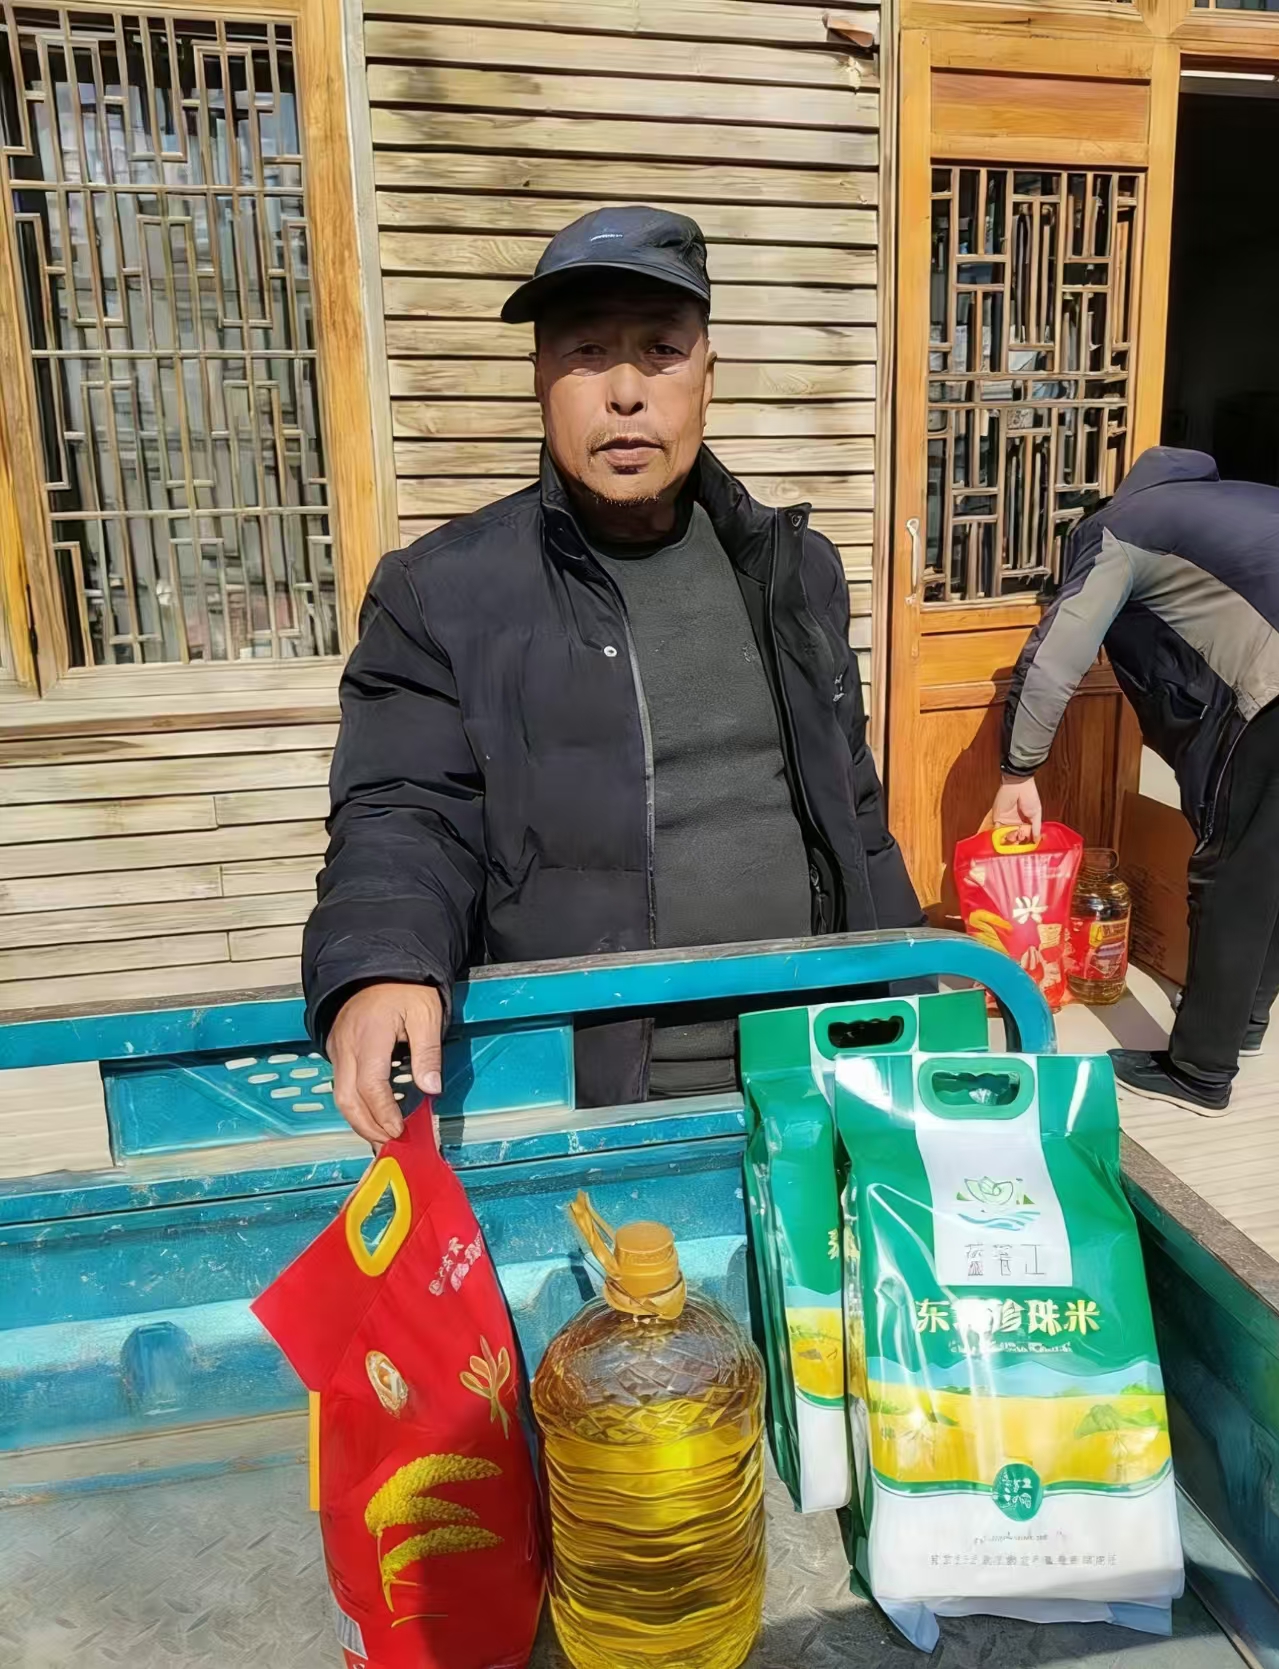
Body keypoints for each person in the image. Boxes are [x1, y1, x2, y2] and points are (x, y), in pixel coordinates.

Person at [303, 205, 922, 1146]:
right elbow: (403, 807)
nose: (625, 393)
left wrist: (912, 1006)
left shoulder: (794, 572)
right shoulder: (442, 595)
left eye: (660, 352)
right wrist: (383, 959)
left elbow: (854, 814)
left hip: (817, 1075)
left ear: (707, 377)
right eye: (587, 353)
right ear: (540, 379)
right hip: (589, 1100)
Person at [991, 446, 1279, 1117]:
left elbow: (1057, 655)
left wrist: (1018, 768)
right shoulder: (1238, 504)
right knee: (1269, 859)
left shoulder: (1121, 526)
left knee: (1231, 873)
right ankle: (1241, 1023)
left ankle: (1199, 1072)